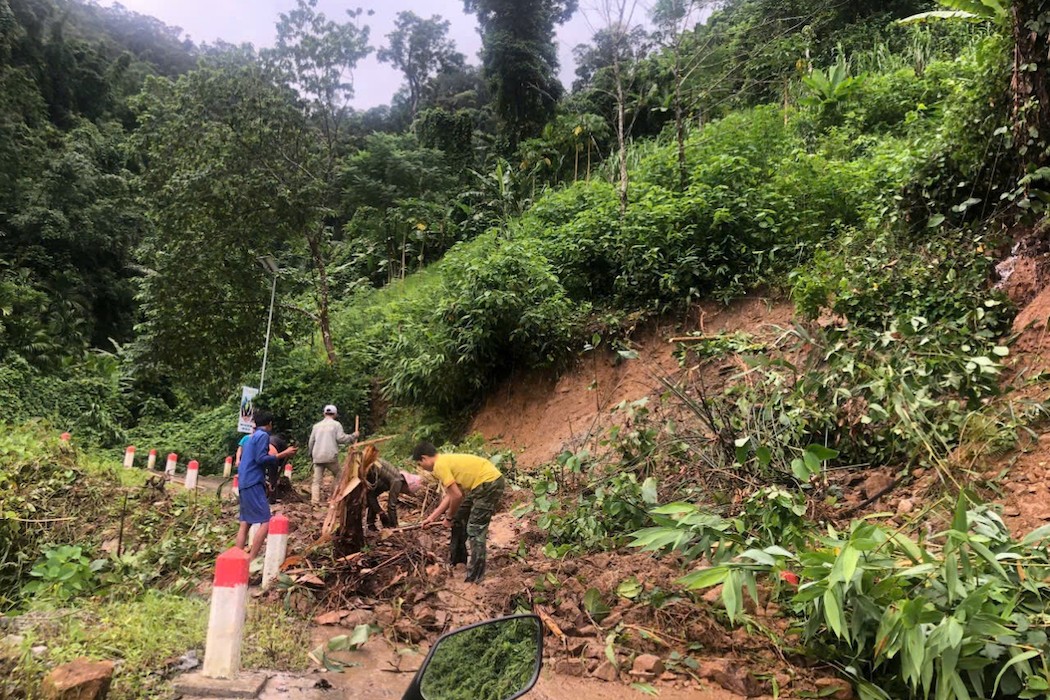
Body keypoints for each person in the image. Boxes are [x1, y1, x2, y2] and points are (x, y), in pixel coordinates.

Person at [414, 442, 505, 583]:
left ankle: (475, 576)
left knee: (475, 529)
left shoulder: (439, 465)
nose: (422, 468)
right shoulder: (444, 461)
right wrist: (432, 518)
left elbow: (457, 496)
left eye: (420, 464)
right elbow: (451, 495)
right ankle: (458, 561)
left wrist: (449, 517)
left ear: (424, 458)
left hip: (488, 483)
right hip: (483, 483)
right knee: (459, 518)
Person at [236, 409, 296, 560]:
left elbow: (251, 461)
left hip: (244, 481)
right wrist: (283, 454)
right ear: (269, 424)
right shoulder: (263, 436)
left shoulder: (250, 437)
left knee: (245, 523)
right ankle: (251, 559)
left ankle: (237, 558)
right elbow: (261, 459)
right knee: (266, 521)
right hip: (253, 482)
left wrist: (264, 481)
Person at [307, 404, 358, 504]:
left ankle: (315, 501)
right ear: (335, 414)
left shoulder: (316, 426)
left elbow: (311, 442)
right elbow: (341, 438)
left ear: (324, 413)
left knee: (316, 481)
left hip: (317, 456)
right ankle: (333, 497)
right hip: (330, 456)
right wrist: (353, 436)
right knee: (339, 475)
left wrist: (311, 454)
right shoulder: (336, 425)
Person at [365, 458, 406, 530]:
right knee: (366, 497)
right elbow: (391, 505)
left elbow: (372, 495)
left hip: (372, 468)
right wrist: (395, 526)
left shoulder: (388, 480)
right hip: (369, 468)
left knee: (371, 495)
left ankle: (371, 524)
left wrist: (381, 513)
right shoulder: (397, 481)